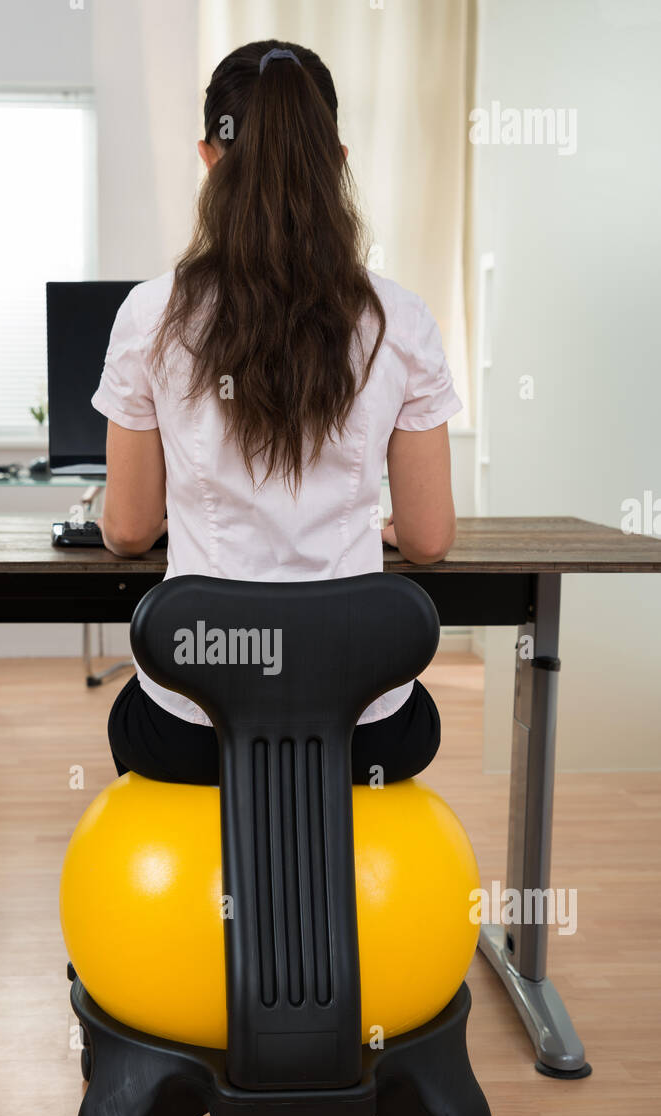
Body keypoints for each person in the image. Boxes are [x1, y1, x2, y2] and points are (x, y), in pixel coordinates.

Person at [92, 39, 461, 787]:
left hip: (194, 725)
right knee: (407, 719)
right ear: (337, 159)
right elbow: (426, 539)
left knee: (138, 717)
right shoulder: (401, 318)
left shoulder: (149, 315)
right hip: (365, 731)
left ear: (209, 156)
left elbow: (128, 530)